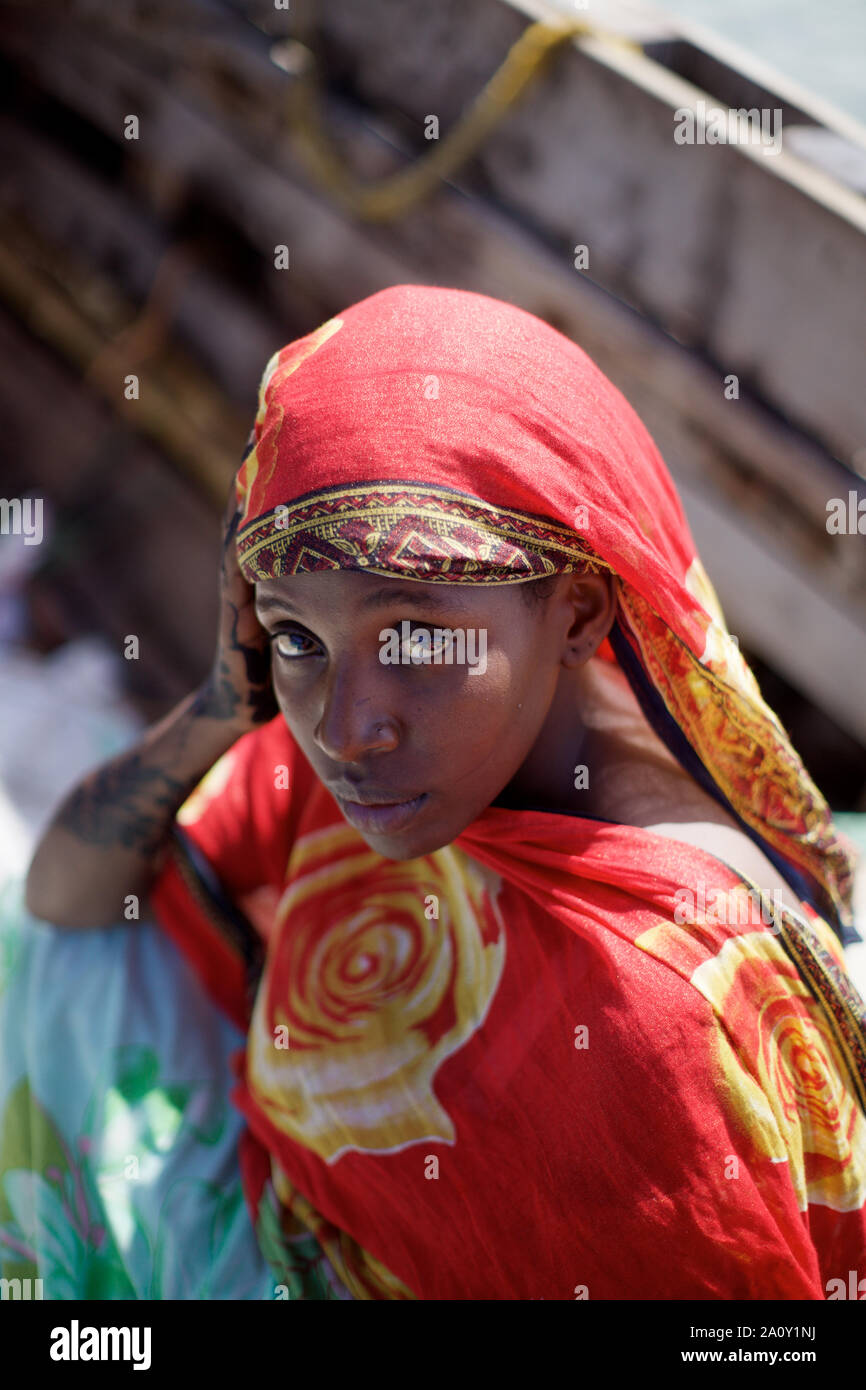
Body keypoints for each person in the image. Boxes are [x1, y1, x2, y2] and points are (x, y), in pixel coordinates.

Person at [18, 285, 866, 1300]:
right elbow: (64, 896)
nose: (344, 725)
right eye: (293, 634)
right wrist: (219, 703)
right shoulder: (383, 762)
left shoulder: (655, 1025)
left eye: (415, 636)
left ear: (577, 611)